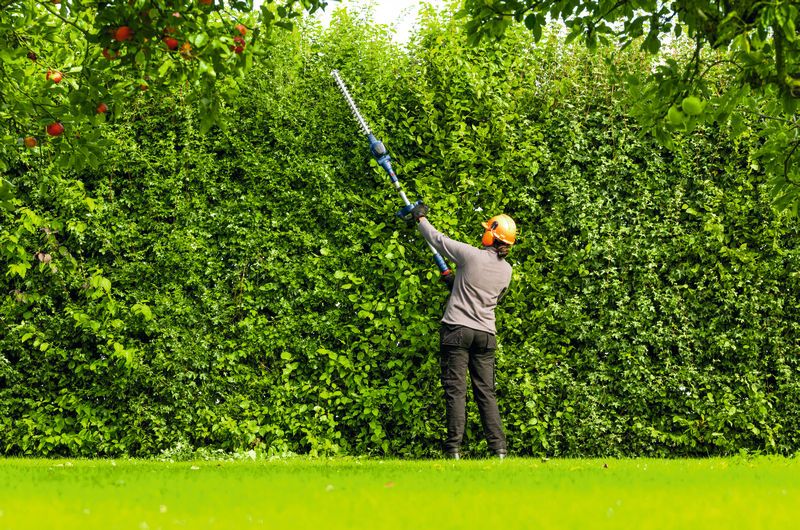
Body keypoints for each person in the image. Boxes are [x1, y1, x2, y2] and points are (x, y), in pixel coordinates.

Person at [409, 203, 516, 459]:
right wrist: (456, 283)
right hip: (485, 336)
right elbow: (490, 298)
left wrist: (420, 217)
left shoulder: (470, 255)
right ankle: (498, 450)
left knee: (456, 391)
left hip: (457, 329)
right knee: (486, 393)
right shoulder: (508, 271)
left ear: (491, 235)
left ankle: (454, 450)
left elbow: (437, 239)